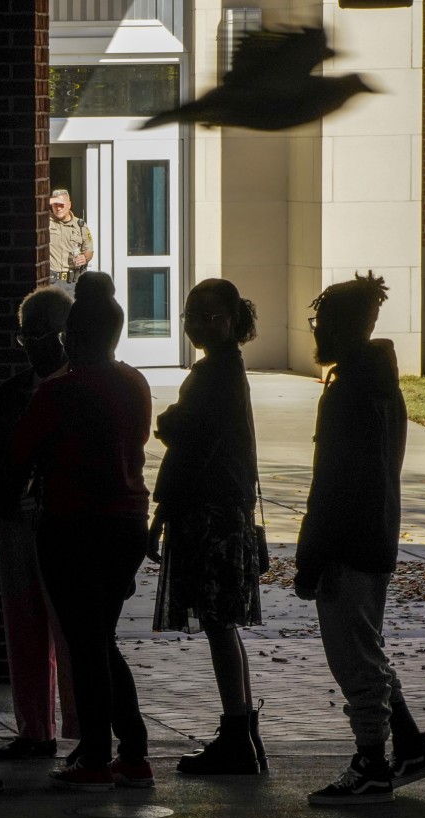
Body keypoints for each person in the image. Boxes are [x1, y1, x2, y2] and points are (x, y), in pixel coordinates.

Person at [295, 273, 425, 805]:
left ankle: (372, 766)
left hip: (347, 546)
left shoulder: (348, 393)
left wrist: (310, 558)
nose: (316, 330)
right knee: (367, 650)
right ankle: (408, 745)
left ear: (339, 326)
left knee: (355, 661)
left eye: (321, 321)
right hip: (373, 537)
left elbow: (332, 485)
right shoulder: (379, 382)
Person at [10, 272, 153, 792]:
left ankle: (96, 754)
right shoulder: (134, 382)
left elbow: (18, 454)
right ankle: (131, 752)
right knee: (100, 638)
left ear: (74, 337)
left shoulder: (60, 392)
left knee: (86, 641)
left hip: (71, 525)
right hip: (126, 523)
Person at [149, 279, 265, 775]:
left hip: (211, 516)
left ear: (232, 319)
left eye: (209, 316)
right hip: (219, 512)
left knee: (218, 625)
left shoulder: (215, 373)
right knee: (223, 625)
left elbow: (185, 435)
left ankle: (237, 733)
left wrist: (170, 422)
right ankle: (240, 731)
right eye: (191, 315)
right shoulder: (222, 369)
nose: (197, 324)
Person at [0, 287, 79, 762]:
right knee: (23, 625)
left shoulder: (78, 388)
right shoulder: (16, 389)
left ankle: (80, 730)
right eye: (25, 337)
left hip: (60, 518)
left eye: (38, 335)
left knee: (67, 627)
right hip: (19, 517)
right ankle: (36, 729)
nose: (31, 346)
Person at [42, 189, 93, 296]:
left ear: (69, 205)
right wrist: (51, 200)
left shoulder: (80, 225)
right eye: (55, 205)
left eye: (62, 205)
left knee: (73, 312)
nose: (58, 208)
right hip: (52, 281)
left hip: (73, 282)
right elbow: (38, 204)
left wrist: (85, 258)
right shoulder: (46, 221)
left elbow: (89, 250)